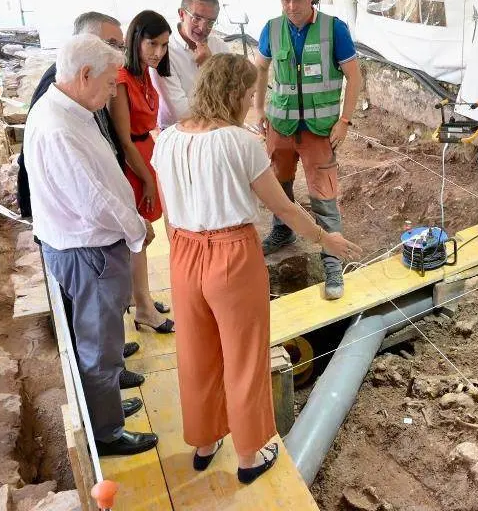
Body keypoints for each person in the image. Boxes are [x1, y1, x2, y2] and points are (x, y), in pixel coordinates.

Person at [151, 53, 362, 484]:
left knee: (196, 352)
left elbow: (169, 213)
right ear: (233, 93)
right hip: (232, 254)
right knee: (245, 356)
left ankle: (205, 443)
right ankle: (250, 454)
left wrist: (182, 253)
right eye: (250, 94)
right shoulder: (241, 143)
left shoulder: (166, 140)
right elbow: (283, 207)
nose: (252, 102)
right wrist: (327, 240)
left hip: (184, 254)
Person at [25, 33, 158, 456]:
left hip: (88, 247)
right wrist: (137, 228)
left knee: (103, 332)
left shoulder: (66, 108)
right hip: (89, 251)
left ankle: (108, 398)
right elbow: (94, 201)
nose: (112, 91)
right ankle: (107, 431)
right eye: (107, 83)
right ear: (84, 75)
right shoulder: (60, 128)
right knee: (97, 345)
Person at [251, 0, 363, 301]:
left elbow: (355, 77)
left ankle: (333, 260)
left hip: (320, 130)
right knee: (279, 184)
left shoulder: (335, 29)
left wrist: (344, 121)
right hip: (281, 126)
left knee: (323, 196)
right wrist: (259, 109)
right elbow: (260, 70)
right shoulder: (271, 29)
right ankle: (282, 230)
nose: (291, 6)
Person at [110, 10, 175, 334]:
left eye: (163, 45)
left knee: (144, 238)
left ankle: (142, 298)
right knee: (137, 236)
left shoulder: (143, 74)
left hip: (146, 155)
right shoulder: (122, 77)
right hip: (132, 161)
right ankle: (144, 308)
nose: (158, 52)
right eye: (152, 44)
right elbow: (124, 139)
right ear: (136, 39)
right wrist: (148, 179)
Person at [153, 0, 229, 130]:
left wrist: (209, 63)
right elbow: (181, 113)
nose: (202, 28)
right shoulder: (164, 52)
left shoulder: (219, 46)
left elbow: (235, 94)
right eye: (196, 18)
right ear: (182, 14)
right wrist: (209, 68)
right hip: (178, 133)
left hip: (216, 129)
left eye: (211, 22)